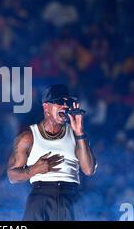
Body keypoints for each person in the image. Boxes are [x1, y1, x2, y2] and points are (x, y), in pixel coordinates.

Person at [7, 84, 97, 220]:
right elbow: (12, 176)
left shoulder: (77, 135)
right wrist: (33, 170)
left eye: (68, 103)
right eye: (60, 102)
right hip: (41, 197)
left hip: (70, 197)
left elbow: (89, 170)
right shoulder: (28, 137)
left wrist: (79, 132)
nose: (65, 107)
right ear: (46, 107)